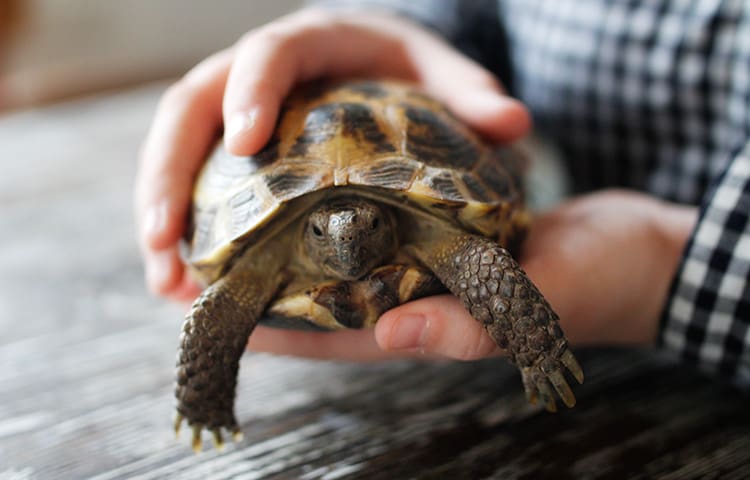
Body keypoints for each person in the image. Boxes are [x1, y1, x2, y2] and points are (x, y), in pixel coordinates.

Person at [134, 1, 750, 387]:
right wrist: (399, 22)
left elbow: (483, 261)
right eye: (325, 231)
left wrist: (667, 264)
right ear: (307, 233)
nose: (348, 239)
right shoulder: (260, 263)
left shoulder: (446, 241)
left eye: (368, 226)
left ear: (387, 224)